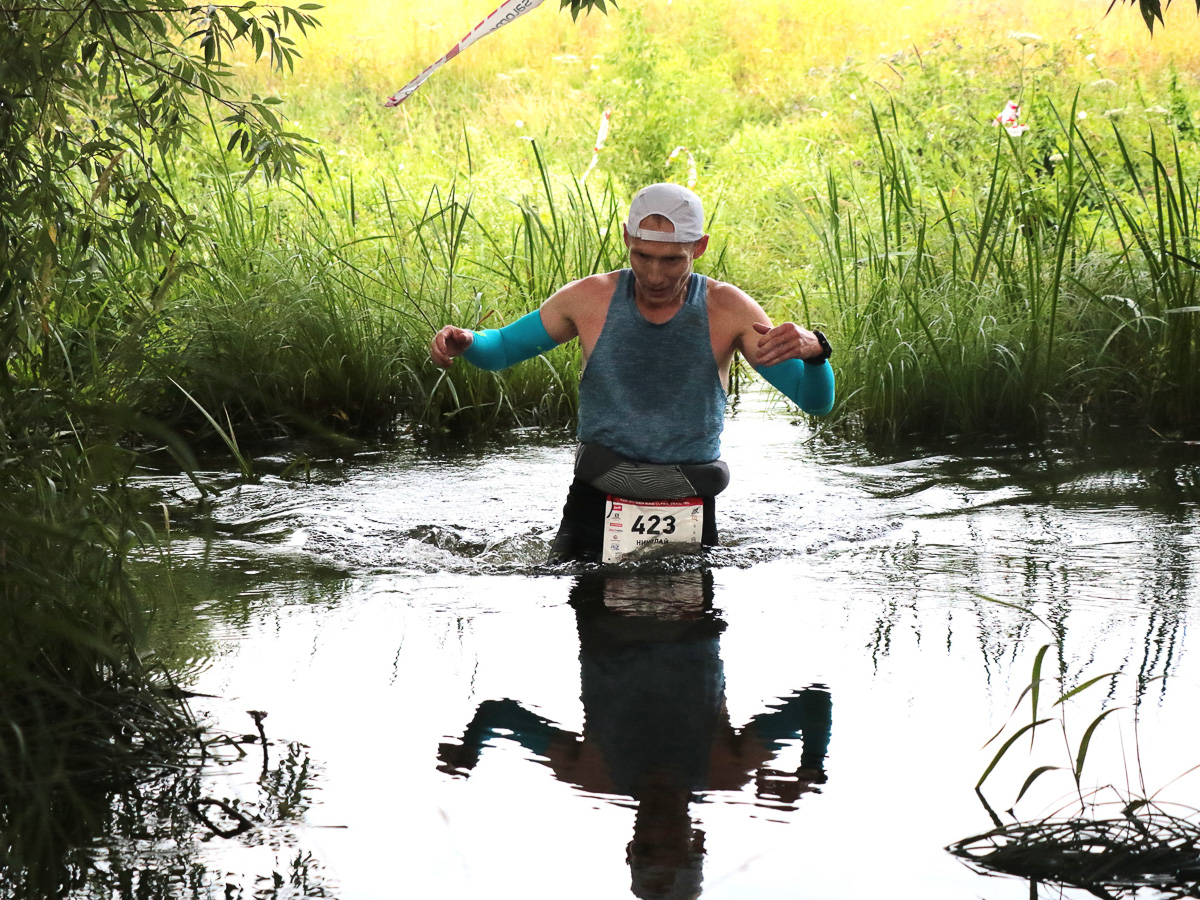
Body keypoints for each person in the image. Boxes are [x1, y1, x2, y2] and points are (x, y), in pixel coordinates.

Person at [430, 183, 835, 563]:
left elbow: (814, 401)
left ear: (700, 247)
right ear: (626, 238)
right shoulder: (590, 298)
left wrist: (817, 354)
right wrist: (467, 341)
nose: (656, 275)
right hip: (596, 495)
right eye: (643, 256)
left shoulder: (729, 309)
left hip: (690, 498)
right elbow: (502, 349)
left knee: (689, 636)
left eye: (673, 259)